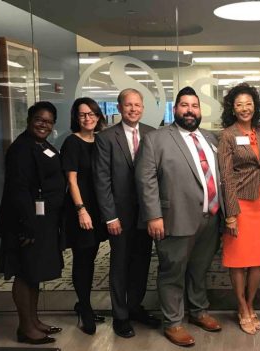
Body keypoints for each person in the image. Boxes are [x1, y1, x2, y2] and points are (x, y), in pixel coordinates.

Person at [135, 87, 223, 347]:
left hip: (211, 217)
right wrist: (153, 216)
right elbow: (145, 180)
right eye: (184, 105)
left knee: (199, 269)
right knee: (172, 272)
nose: (189, 110)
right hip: (174, 218)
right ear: (175, 110)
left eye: (194, 106)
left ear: (200, 110)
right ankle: (173, 322)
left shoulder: (211, 138)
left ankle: (198, 311)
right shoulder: (156, 138)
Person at [0, 101, 65, 345]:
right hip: (25, 223)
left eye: (48, 121)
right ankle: (25, 328)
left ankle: (34, 321)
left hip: (42, 220)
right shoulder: (21, 149)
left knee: (34, 272)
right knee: (25, 273)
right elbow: (19, 191)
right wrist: (27, 225)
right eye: (39, 119)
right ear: (29, 120)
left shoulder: (43, 145)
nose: (43, 124)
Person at [93, 88, 158, 338]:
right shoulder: (107, 137)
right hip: (119, 216)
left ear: (143, 108)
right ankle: (120, 315)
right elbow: (102, 181)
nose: (133, 109)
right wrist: (110, 216)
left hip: (146, 213)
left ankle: (135, 307)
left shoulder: (153, 134)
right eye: (128, 105)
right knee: (120, 264)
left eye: (137, 105)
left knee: (142, 262)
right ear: (119, 108)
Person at [218, 83, 260, 335]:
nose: (244, 108)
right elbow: (226, 176)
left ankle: (250, 304)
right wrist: (230, 214)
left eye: (248, 103)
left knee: (258, 260)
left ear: (255, 106)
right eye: (239, 104)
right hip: (239, 204)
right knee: (238, 261)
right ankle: (241, 307)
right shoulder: (227, 134)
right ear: (232, 108)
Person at [60, 97, 108, 335]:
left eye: (92, 113)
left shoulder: (99, 141)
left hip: (99, 208)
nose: (88, 118)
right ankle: (85, 308)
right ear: (76, 118)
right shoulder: (72, 142)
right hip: (82, 209)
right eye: (82, 115)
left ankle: (83, 303)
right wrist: (81, 210)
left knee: (91, 256)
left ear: (98, 116)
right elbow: (71, 180)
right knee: (83, 259)